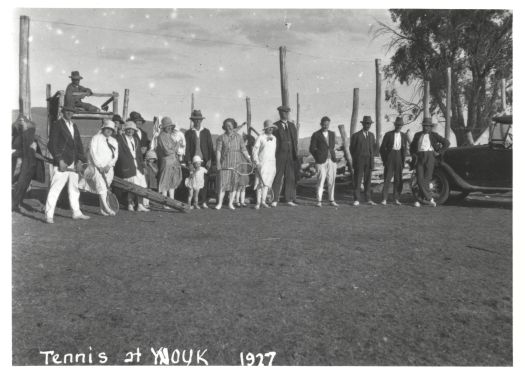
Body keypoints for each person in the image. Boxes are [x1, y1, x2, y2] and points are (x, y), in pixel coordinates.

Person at [44, 106, 90, 223]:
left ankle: (76, 213)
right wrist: (59, 160)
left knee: (74, 189)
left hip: (74, 164)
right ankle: (49, 215)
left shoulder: (74, 126)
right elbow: (52, 144)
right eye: (67, 111)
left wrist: (80, 161)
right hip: (62, 163)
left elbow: (79, 145)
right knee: (55, 189)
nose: (70, 112)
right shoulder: (57, 124)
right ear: (63, 112)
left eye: (72, 111)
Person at [409, 117, 450, 207]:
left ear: (430, 127)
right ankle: (430, 199)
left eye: (427, 126)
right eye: (424, 126)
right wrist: (413, 155)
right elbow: (411, 147)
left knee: (426, 179)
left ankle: (421, 200)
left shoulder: (434, 135)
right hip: (419, 157)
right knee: (419, 180)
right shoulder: (417, 135)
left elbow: (446, 143)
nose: (425, 128)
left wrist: (438, 152)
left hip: (430, 157)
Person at [81, 119, 119, 216]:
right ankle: (108, 209)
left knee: (105, 188)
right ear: (103, 129)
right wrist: (99, 166)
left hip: (109, 169)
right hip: (97, 168)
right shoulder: (96, 138)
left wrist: (109, 165)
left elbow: (115, 155)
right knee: (101, 186)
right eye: (107, 129)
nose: (109, 131)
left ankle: (102, 209)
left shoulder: (114, 141)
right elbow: (93, 153)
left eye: (111, 129)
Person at [215, 118, 252, 210]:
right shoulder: (221, 138)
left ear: (234, 126)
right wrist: (218, 162)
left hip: (236, 164)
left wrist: (249, 159)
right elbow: (218, 151)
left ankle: (230, 204)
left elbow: (244, 150)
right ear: (224, 127)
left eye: (230, 126)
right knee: (223, 185)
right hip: (225, 164)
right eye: (226, 126)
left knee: (234, 185)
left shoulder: (239, 137)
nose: (228, 128)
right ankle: (219, 203)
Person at [11, 115, 46, 212]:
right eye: (20, 121)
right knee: (21, 185)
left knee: (23, 185)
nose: (22, 123)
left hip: (29, 164)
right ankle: (15, 204)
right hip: (23, 164)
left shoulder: (31, 135)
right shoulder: (20, 136)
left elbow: (34, 151)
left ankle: (15, 204)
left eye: (24, 121)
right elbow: (29, 152)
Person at [115, 121, 150, 212]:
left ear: (134, 130)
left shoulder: (136, 140)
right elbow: (119, 153)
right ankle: (130, 204)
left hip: (137, 165)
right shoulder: (120, 138)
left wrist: (143, 165)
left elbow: (139, 154)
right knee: (131, 185)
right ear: (125, 129)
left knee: (141, 185)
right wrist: (124, 162)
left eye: (132, 129)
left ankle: (140, 204)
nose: (130, 131)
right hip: (127, 165)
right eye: (128, 129)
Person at [185, 109, 215, 208]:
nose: (197, 121)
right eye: (195, 119)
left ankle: (203, 202)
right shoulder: (189, 133)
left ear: (201, 120)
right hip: (194, 162)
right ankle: (194, 203)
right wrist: (189, 162)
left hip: (204, 161)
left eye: (199, 120)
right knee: (193, 182)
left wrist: (210, 159)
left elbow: (210, 146)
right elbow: (187, 149)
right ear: (192, 120)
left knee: (204, 182)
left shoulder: (206, 132)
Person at [271, 105, 299, 207]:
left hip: (291, 155)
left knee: (290, 177)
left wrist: (295, 153)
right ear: (280, 113)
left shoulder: (292, 125)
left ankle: (288, 199)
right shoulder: (275, 126)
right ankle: (274, 199)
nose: (285, 114)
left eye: (287, 113)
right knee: (277, 177)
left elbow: (295, 140)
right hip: (279, 155)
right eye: (283, 112)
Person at [309, 116, 339, 207]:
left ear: (329, 124)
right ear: (321, 124)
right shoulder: (316, 134)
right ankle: (319, 201)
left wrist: (332, 155)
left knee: (331, 180)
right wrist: (318, 157)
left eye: (327, 124)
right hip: (321, 161)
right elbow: (312, 148)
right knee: (320, 180)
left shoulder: (332, 134)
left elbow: (332, 146)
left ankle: (331, 200)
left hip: (332, 160)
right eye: (324, 124)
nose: (326, 126)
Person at [379, 116, 409, 205]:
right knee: (387, 178)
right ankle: (384, 199)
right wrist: (385, 160)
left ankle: (396, 199)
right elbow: (382, 149)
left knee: (398, 179)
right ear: (394, 125)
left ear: (402, 126)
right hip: (390, 157)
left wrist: (402, 161)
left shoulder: (404, 136)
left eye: (400, 125)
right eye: (397, 125)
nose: (399, 126)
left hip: (399, 157)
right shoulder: (388, 134)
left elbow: (404, 150)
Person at [156, 117, 183, 207]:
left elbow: (172, 149)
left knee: (172, 181)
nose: (169, 128)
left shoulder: (169, 136)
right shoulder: (161, 136)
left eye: (170, 126)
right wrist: (177, 146)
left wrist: (176, 145)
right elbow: (167, 151)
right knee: (165, 181)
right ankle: (165, 203)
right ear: (163, 127)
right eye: (167, 126)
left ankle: (171, 202)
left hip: (173, 161)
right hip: (167, 161)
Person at [350, 115, 377, 206]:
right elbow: (352, 149)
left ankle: (368, 198)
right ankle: (357, 199)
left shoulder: (372, 136)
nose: (368, 125)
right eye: (366, 123)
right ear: (363, 124)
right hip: (359, 161)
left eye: (369, 124)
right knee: (358, 180)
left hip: (369, 161)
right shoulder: (356, 136)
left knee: (368, 180)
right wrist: (356, 158)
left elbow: (374, 148)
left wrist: (371, 158)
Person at [252, 120, 277, 209]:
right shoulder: (260, 137)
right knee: (260, 183)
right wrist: (257, 162)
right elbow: (255, 150)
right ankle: (258, 202)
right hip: (262, 163)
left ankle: (263, 201)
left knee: (267, 183)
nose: (270, 129)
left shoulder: (274, 138)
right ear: (265, 129)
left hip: (271, 163)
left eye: (272, 128)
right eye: (268, 128)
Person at [233, 129, 251, 207]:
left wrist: (250, 161)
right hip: (240, 170)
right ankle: (237, 201)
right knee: (239, 186)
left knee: (243, 187)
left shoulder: (246, 150)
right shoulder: (239, 151)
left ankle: (242, 201)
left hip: (245, 171)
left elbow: (248, 159)